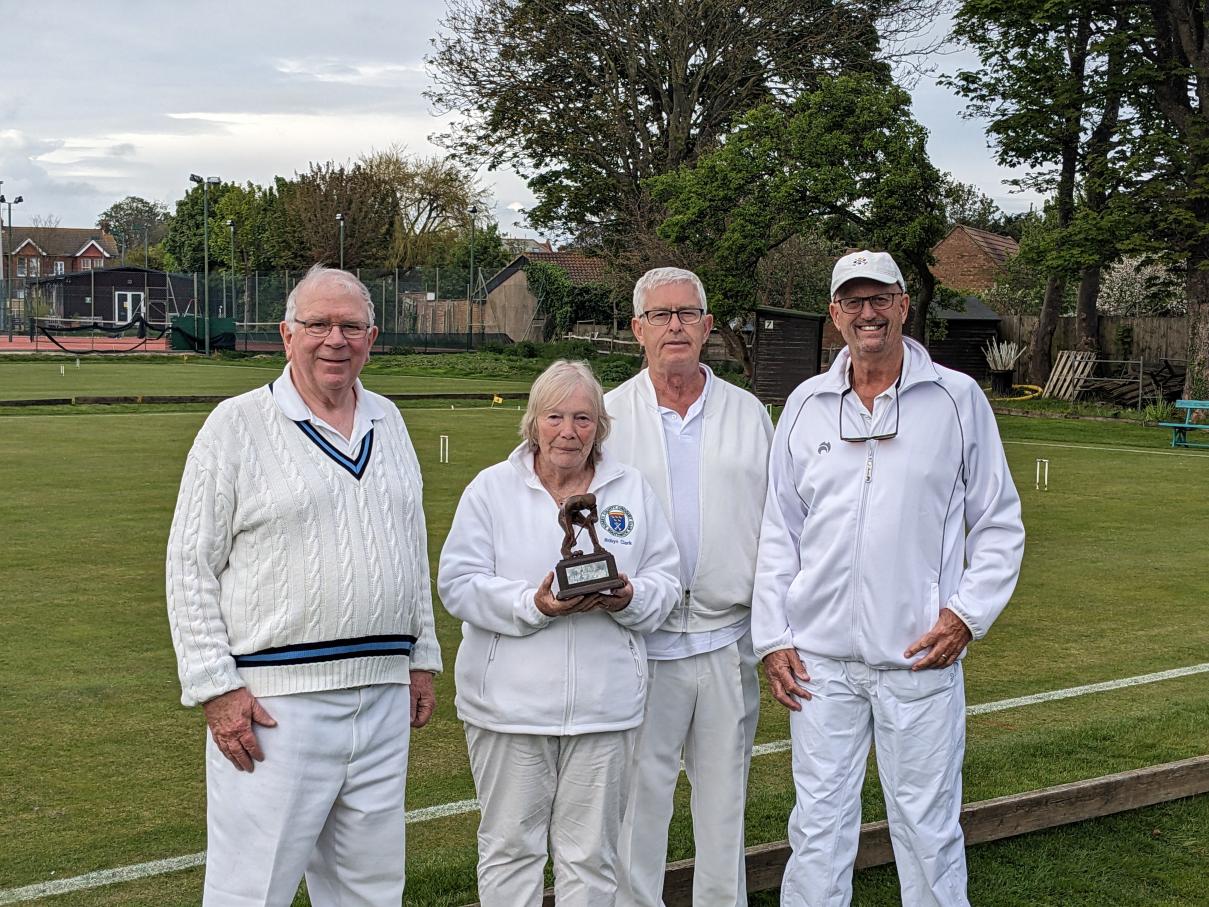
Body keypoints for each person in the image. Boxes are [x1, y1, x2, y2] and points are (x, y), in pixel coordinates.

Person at [753, 250, 1025, 906]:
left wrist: (965, 614)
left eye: (880, 298)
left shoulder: (956, 398)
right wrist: (773, 637)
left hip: (918, 657)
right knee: (817, 828)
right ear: (835, 314)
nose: (867, 313)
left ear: (904, 305)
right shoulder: (805, 404)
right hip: (819, 663)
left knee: (927, 828)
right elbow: (778, 530)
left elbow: (998, 521)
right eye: (853, 301)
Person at [165, 264, 442, 906]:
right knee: (250, 891)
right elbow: (189, 565)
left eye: (350, 326)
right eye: (318, 324)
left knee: (371, 891)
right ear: (287, 334)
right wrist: (214, 686)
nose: (334, 340)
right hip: (275, 706)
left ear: (372, 338)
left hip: (382, 695)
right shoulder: (236, 425)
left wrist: (421, 658)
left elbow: (409, 547)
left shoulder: (389, 420)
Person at [438, 359, 681, 906]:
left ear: (600, 426)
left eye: (582, 418)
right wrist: (534, 605)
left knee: (592, 859)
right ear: (533, 422)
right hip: (509, 711)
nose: (568, 431)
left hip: (605, 709)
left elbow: (667, 579)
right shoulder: (491, 489)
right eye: (554, 417)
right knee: (510, 852)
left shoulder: (631, 489)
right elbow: (458, 584)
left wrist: (629, 598)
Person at [606, 267, 773, 906]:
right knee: (637, 809)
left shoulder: (747, 412)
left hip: (726, 642)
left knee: (725, 805)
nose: (673, 325)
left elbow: (778, 526)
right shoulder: (609, 416)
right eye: (660, 314)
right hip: (639, 645)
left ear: (707, 327)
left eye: (686, 314)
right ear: (637, 328)